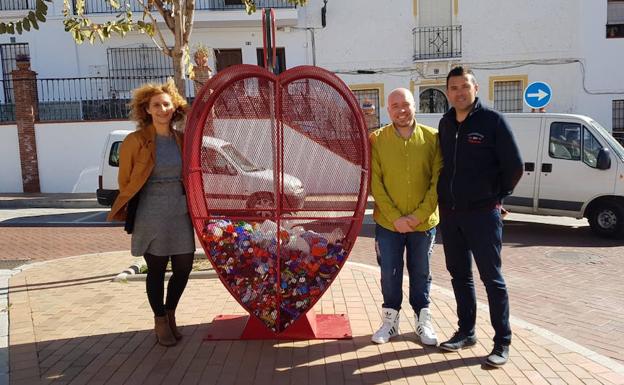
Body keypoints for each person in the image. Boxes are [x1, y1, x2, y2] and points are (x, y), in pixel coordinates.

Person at [436, 66, 523, 367]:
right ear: (447, 92)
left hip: (483, 215)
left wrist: (498, 197)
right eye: (454, 87)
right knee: (460, 276)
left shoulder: (493, 121)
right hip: (451, 214)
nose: (459, 92)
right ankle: (466, 332)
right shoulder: (445, 123)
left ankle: (502, 342)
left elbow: (514, 165)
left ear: (475, 89)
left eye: (464, 86)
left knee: (492, 279)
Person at [108, 80, 195, 347]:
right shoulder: (135, 141)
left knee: (184, 265)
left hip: (179, 209)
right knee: (156, 267)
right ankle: (160, 320)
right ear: (146, 109)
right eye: (156, 105)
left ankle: (170, 312)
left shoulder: (181, 139)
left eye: (166, 104)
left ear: (174, 107)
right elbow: (125, 181)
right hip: (150, 209)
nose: (162, 109)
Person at [369, 88, 443, 345]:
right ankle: (390, 322)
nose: (401, 110)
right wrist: (396, 218)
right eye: (395, 106)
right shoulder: (377, 140)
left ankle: (423, 322)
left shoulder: (433, 138)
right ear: (388, 110)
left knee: (421, 272)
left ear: (415, 106)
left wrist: (417, 217)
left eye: (406, 104)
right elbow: (375, 183)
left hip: (424, 224)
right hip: (388, 224)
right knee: (389, 273)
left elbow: (437, 181)